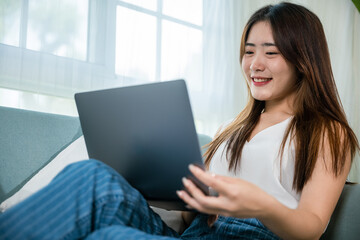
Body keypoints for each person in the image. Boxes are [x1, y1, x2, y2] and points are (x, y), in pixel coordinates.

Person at [0, 2, 359, 239]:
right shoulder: (231, 131)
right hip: (193, 233)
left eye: (271, 52)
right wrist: (173, 188)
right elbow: (190, 213)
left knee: (110, 237)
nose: (254, 64)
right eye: (249, 51)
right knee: (91, 175)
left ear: (303, 60)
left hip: (250, 234)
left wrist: (259, 204)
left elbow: (312, 227)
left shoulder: (327, 131)